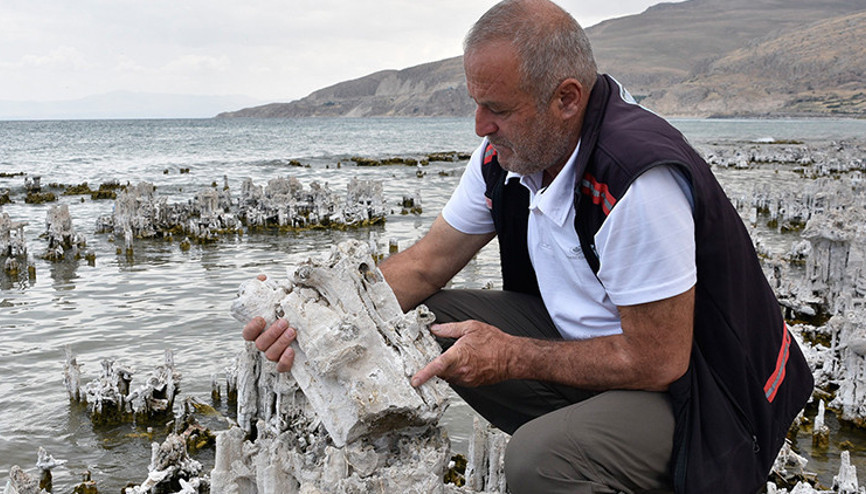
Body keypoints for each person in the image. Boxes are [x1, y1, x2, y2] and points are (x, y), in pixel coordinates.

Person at [242, 0, 814, 492]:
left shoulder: (635, 182)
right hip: (608, 352)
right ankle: (592, 441)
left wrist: (513, 356)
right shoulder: (509, 156)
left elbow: (660, 360)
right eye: (475, 102)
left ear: (566, 99)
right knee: (425, 322)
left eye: (498, 109)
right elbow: (425, 265)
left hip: (711, 395)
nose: (479, 126)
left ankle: (596, 460)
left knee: (540, 460)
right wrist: (310, 316)